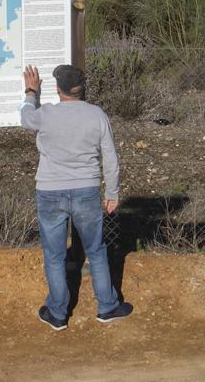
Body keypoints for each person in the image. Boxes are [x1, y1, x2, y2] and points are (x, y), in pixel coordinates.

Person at [21, 63, 133, 330]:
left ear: (58, 89)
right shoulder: (97, 115)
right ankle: (107, 306)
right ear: (82, 89)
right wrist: (112, 192)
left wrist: (31, 91)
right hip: (87, 190)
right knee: (95, 250)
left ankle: (58, 313)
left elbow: (26, 118)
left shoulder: (45, 114)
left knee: (54, 254)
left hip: (49, 191)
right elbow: (110, 158)